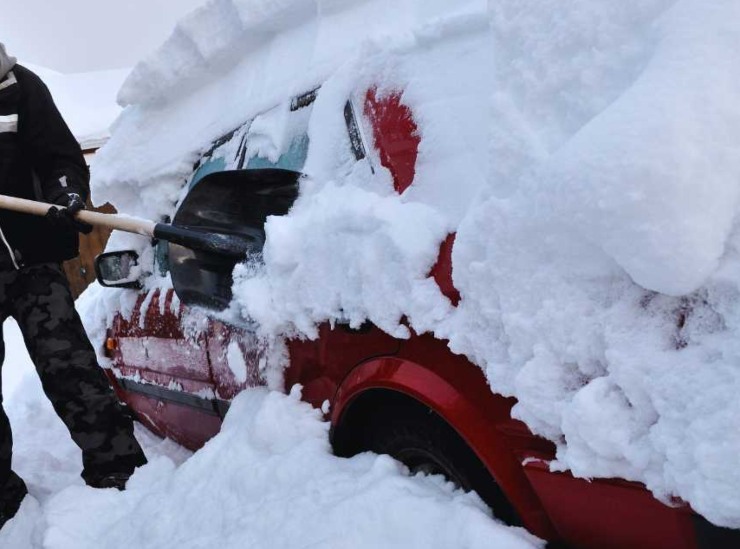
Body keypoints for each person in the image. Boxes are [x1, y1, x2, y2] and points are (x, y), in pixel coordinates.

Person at [0, 43, 147, 528]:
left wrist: (67, 192)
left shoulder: (20, 88)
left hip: (30, 262)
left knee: (68, 365)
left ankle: (118, 468)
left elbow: (62, 155)